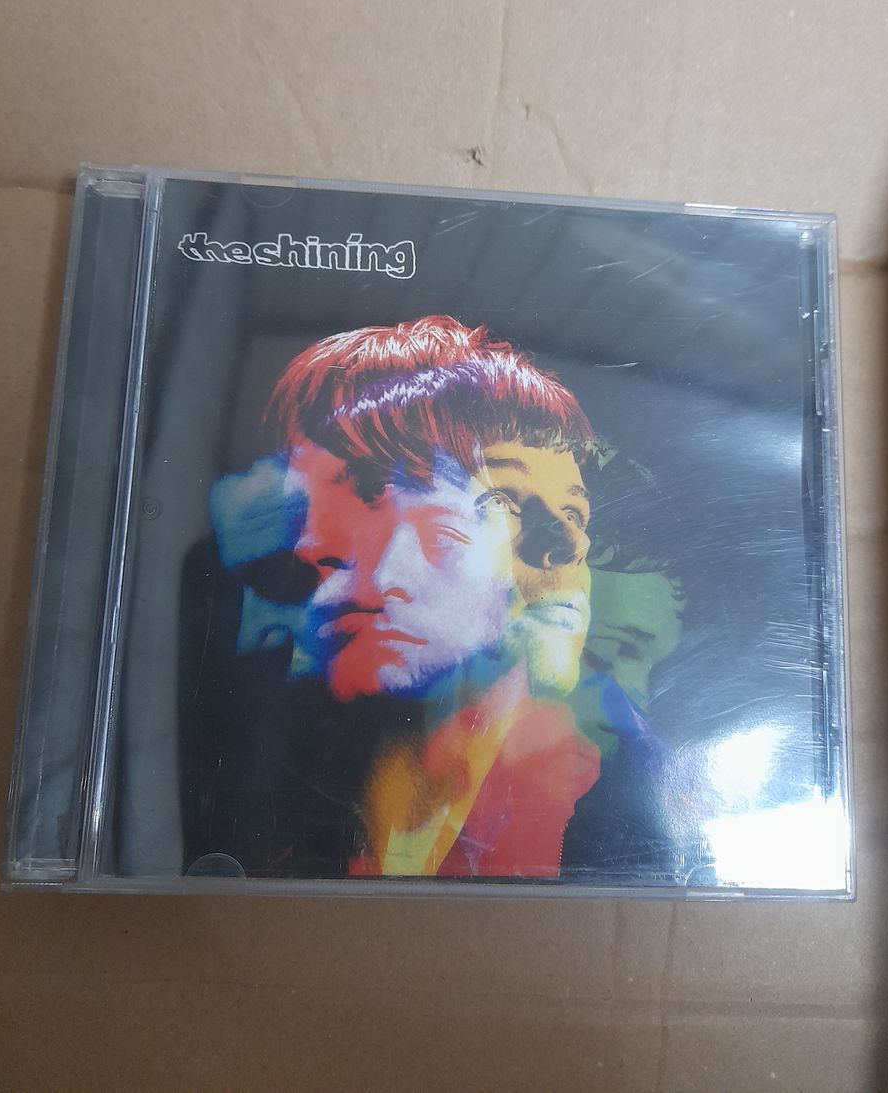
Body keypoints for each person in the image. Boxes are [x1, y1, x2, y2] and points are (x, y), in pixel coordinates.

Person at [205, 316, 603, 877]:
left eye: (575, 514)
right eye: (503, 500)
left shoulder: (597, 811)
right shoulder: (261, 783)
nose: (566, 547)